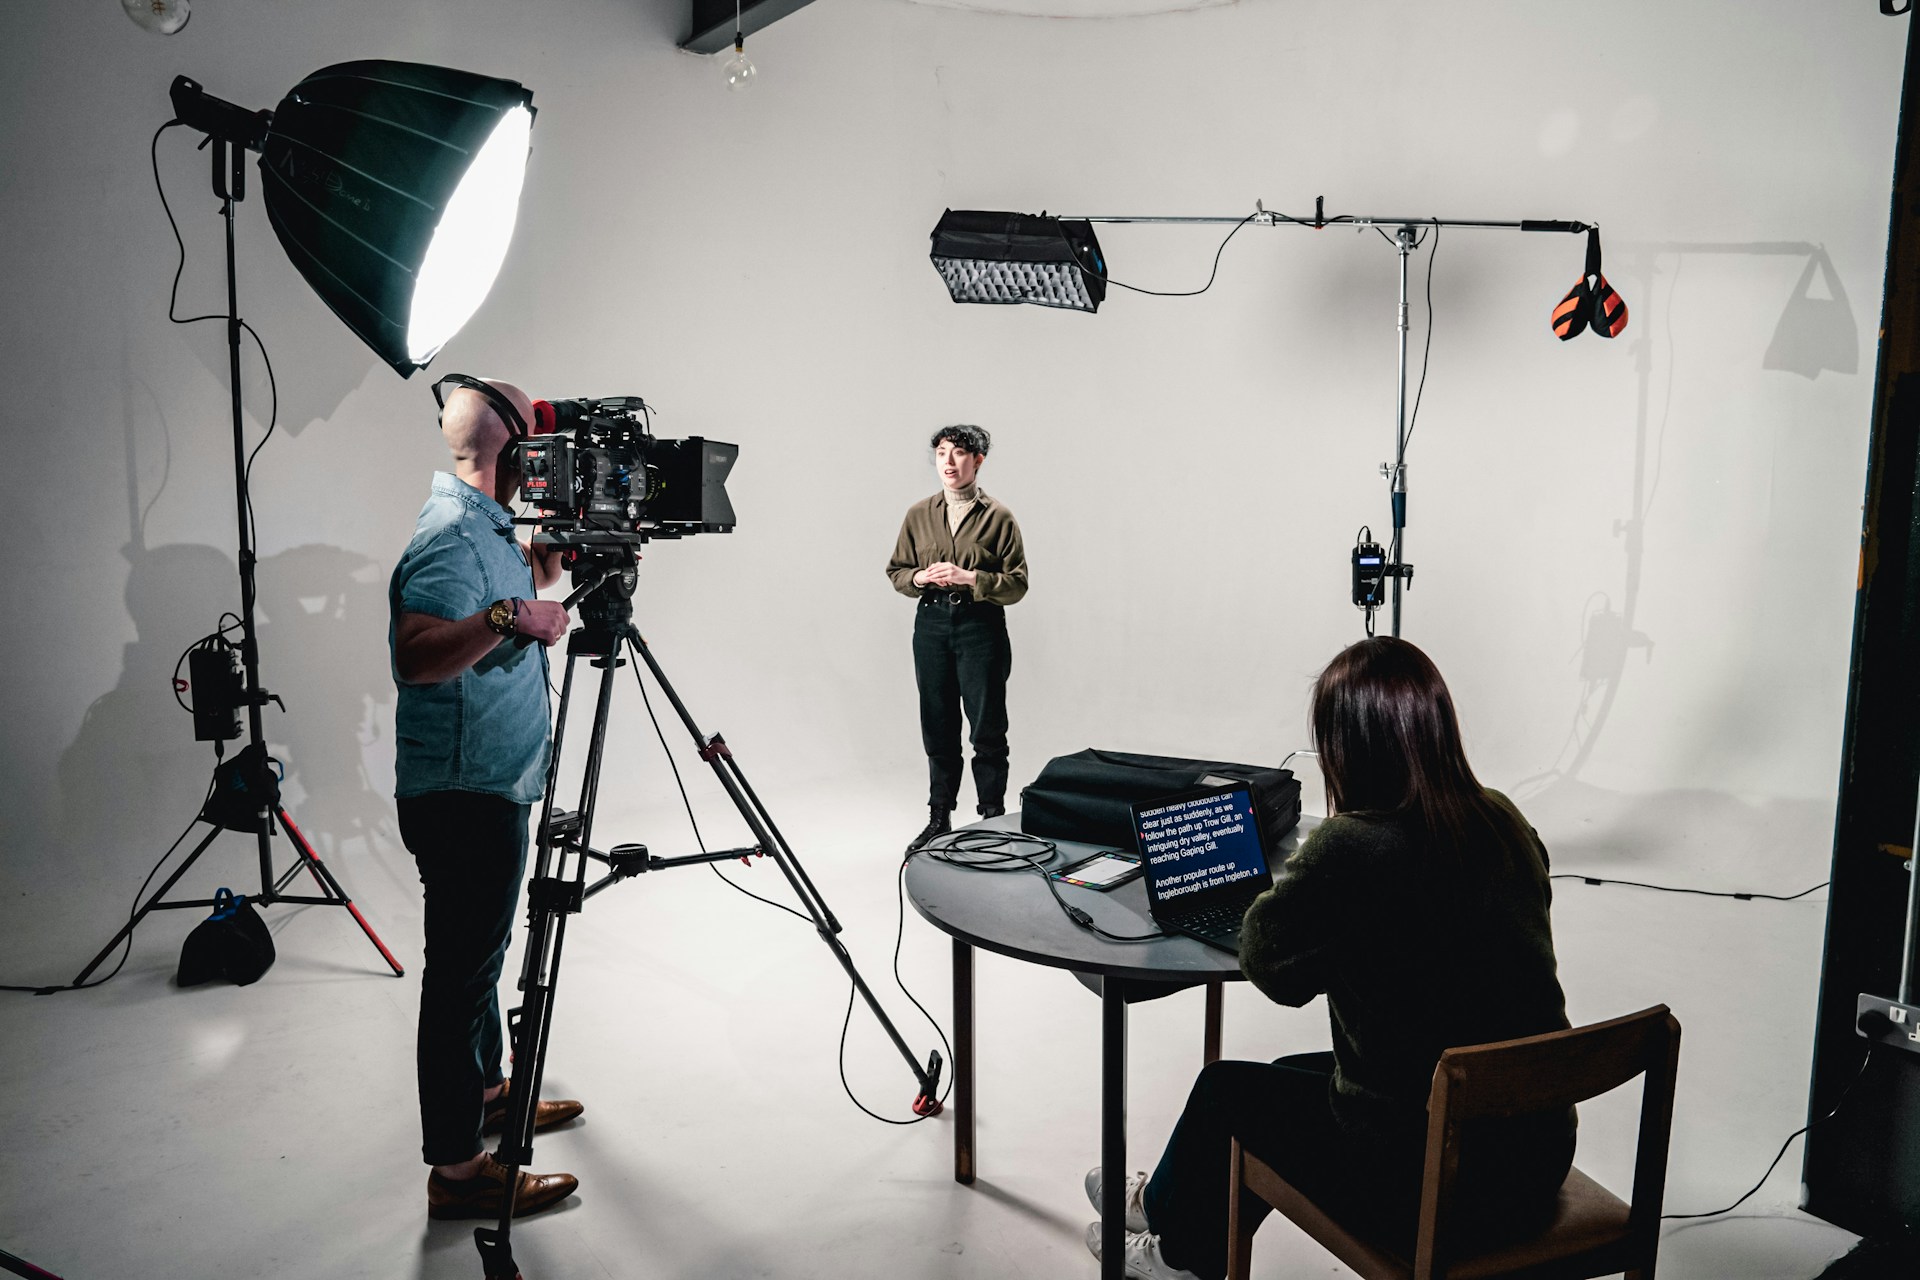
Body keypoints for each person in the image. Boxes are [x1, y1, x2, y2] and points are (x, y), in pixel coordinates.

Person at [1087, 637, 1575, 1280]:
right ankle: (1163, 1205)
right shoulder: (1503, 819)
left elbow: (1272, 967)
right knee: (1292, 1070)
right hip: (1532, 1153)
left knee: (1225, 1090)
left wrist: (1302, 875)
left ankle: (1180, 1257)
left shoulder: (1353, 846)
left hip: (1431, 1179)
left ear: (1350, 747)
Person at [390, 374, 586, 1221]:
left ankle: (493, 1092)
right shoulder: (446, 536)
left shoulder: (488, 527)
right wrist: (512, 612)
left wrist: (544, 569)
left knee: (482, 959)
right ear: (510, 444)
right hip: (463, 794)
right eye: (533, 434)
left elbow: (500, 600)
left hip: (492, 782)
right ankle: (458, 1171)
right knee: (462, 976)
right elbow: (417, 656)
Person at [885, 424, 1029, 851]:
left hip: (979, 626)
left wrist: (971, 577)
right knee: (938, 724)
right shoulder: (918, 514)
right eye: (942, 453)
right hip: (930, 626)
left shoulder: (999, 516)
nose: (948, 462)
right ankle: (938, 817)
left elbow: (1017, 584)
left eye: (959, 453)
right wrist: (919, 576)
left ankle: (993, 820)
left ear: (977, 461)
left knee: (987, 728)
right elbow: (896, 571)